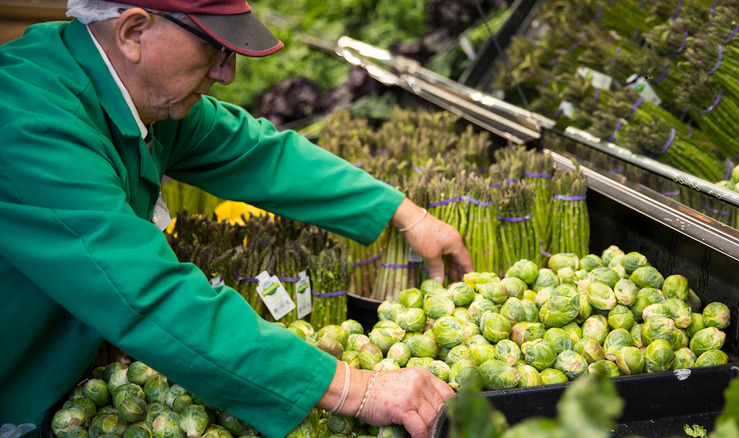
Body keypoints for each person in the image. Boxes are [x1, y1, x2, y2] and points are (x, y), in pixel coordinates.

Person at [0, 0, 473, 436]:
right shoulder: (32, 126)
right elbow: (148, 295)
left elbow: (253, 151)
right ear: (133, 31)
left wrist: (401, 212)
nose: (225, 75)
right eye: (214, 49)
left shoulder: (128, 89)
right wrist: (355, 388)